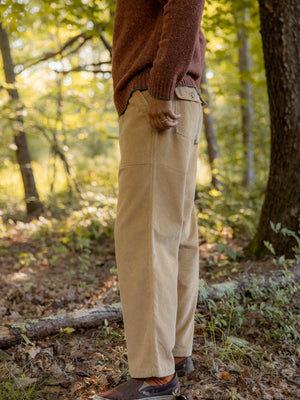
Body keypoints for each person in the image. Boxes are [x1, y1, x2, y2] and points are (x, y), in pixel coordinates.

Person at [97, 1, 206, 399]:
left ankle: (155, 374)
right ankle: (175, 355)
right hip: (174, 95)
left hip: (157, 98)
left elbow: (185, 5)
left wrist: (160, 88)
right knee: (176, 234)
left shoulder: (158, 90)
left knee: (145, 238)